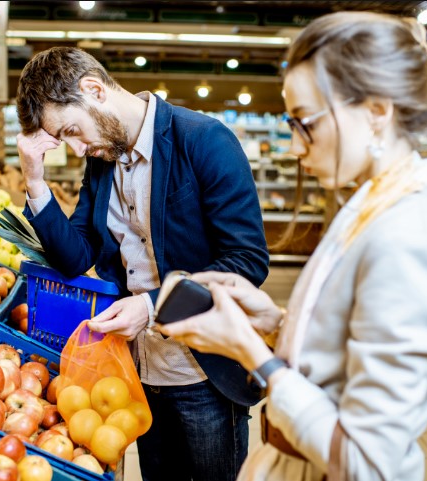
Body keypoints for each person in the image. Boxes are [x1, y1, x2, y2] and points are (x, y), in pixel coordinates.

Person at [159, 11, 427, 481]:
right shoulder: (375, 205)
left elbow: (365, 462)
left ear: (376, 111)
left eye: (305, 122)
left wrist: (253, 353)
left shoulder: (411, 238)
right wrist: (274, 322)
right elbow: (352, 346)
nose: (294, 146)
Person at [15, 46, 269, 481]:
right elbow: (77, 256)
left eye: (72, 130)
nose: (77, 149)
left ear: (94, 90)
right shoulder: (103, 161)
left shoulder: (203, 140)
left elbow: (246, 260)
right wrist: (35, 183)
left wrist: (150, 306)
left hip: (201, 371)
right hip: (136, 373)